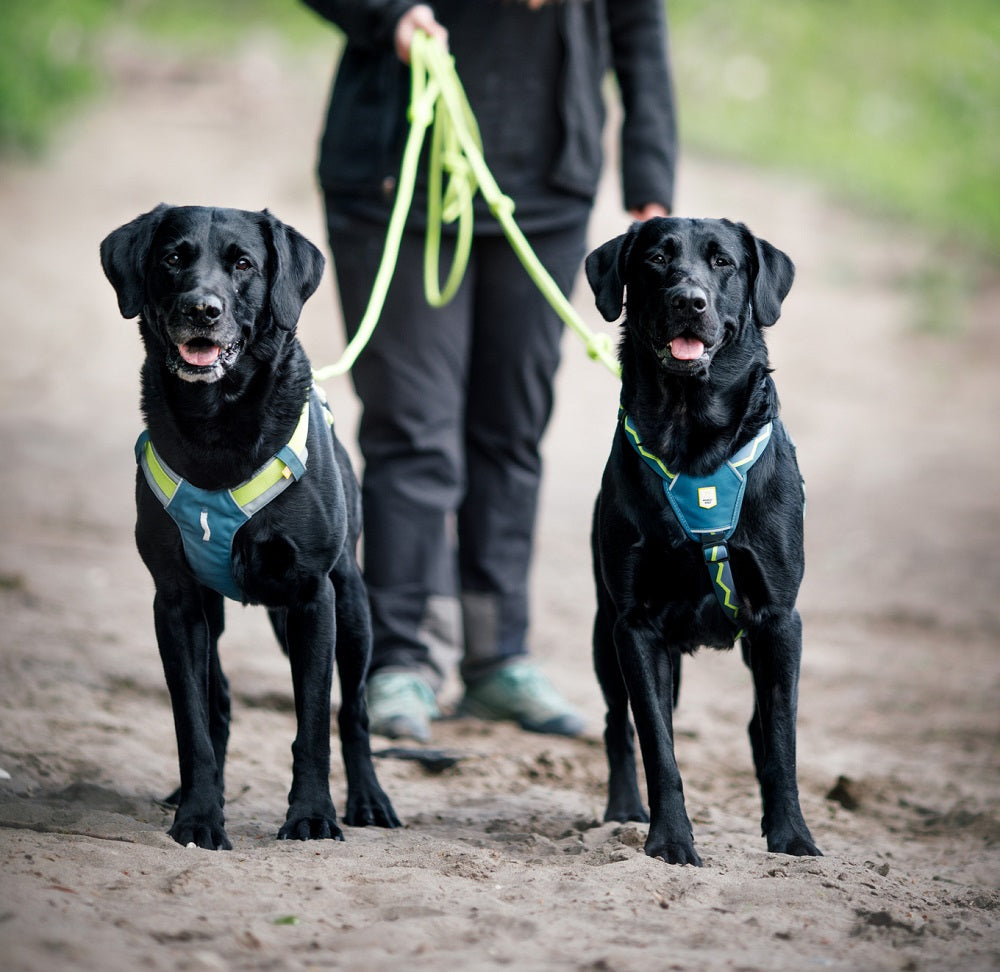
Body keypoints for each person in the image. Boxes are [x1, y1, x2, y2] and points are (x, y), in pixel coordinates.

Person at [302, 0, 678, 742]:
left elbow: (638, 26)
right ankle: (399, 658)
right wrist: (390, 16)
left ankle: (497, 653)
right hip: (395, 179)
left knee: (511, 426)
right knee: (414, 427)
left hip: (547, 183)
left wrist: (649, 176)